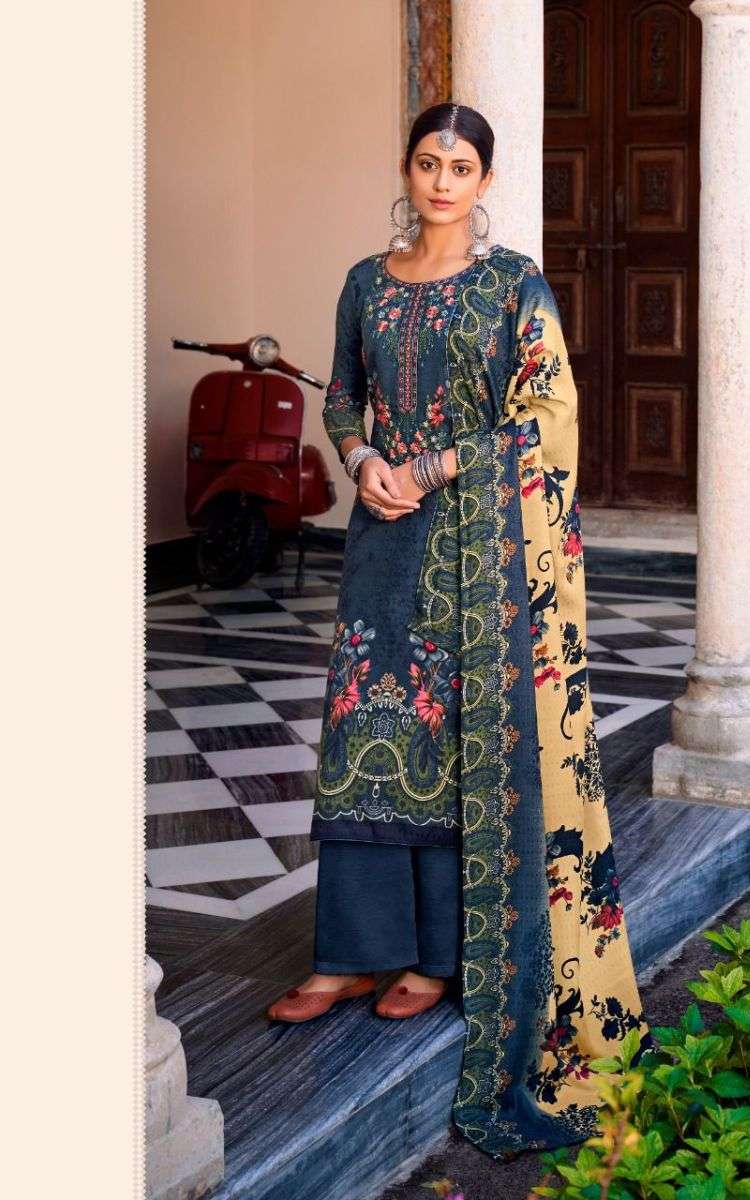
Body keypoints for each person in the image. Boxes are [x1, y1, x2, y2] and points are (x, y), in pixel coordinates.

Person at [267, 102, 654, 1159]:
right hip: (382, 538)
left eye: (462, 166)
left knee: (449, 743)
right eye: (428, 162)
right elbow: (341, 398)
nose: (442, 181)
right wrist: (362, 462)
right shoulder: (365, 282)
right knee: (366, 730)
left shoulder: (511, 286)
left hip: (481, 551)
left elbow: (545, 418)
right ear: (407, 169)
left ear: (485, 182)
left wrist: (434, 464)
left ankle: (437, 959)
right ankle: (350, 951)